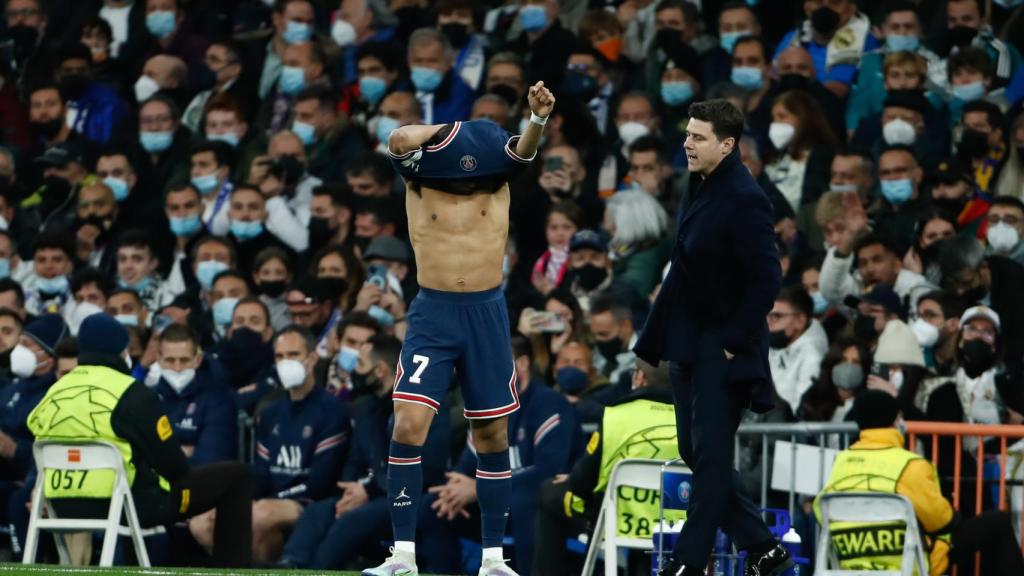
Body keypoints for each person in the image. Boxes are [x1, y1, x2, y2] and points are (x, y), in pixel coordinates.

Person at [362, 81, 554, 576]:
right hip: (434, 311)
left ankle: (493, 558)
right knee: (408, 422)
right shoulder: (418, 177)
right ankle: (402, 554)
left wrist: (536, 118)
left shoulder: (502, 177)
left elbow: (526, 150)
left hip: (487, 312)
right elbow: (399, 139)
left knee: (491, 433)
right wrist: (454, 134)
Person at [634, 100, 791, 575]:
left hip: (721, 346)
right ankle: (764, 548)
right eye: (686, 134)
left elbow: (767, 278)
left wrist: (730, 341)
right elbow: (686, 266)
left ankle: (686, 562)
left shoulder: (745, 197)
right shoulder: (699, 183)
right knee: (694, 451)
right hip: (688, 338)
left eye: (698, 137)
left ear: (727, 144)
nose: (687, 143)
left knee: (711, 461)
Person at [27, 314, 252, 566]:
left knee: (132, 474)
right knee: (237, 476)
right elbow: (174, 466)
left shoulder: (54, 391)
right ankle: (233, 570)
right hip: (129, 507)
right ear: (123, 350)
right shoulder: (130, 392)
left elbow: (36, 435)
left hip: (60, 506)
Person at [276, 334, 449, 569]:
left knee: (351, 521)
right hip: (374, 493)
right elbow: (355, 460)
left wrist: (366, 489)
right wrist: (351, 491)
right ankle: (289, 565)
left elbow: (426, 468)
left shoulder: (423, 405)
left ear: (380, 371)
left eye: (360, 365)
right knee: (318, 512)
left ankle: (316, 571)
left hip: (414, 497)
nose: (354, 372)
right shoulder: (366, 408)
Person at [417, 334, 582, 574]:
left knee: (525, 499)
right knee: (435, 505)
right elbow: (466, 469)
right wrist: (455, 490)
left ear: (522, 365)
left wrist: (479, 488)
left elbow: (548, 472)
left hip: (550, 510)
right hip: (499, 507)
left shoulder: (551, 406)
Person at [814, 390, 1024, 575]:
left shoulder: (840, 461)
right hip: (910, 564)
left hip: (852, 565)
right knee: (997, 522)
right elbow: (941, 521)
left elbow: (820, 512)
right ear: (897, 420)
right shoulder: (909, 464)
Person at [189, 325, 349, 563]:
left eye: (293, 355)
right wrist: (241, 499)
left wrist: (272, 499)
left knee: (258, 515)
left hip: (311, 504)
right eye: (279, 356)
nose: (285, 362)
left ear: (312, 358)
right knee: (202, 522)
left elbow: (321, 481)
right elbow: (260, 473)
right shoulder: (270, 411)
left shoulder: (332, 411)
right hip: (268, 503)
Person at [532, 358, 676, 576]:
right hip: (676, 524)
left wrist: (572, 479)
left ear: (640, 377)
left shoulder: (615, 415)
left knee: (549, 493)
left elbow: (583, 481)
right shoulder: (695, 419)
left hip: (618, 519)